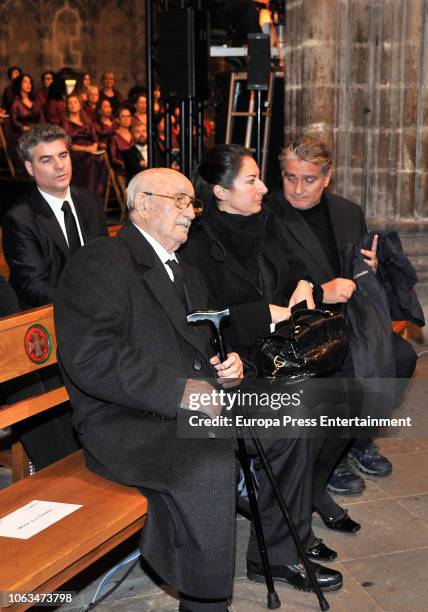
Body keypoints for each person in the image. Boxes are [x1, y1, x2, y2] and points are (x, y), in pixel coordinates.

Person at [54, 167, 246, 612]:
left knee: (291, 416)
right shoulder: (101, 259)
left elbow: (201, 346)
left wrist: (228, 363)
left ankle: (274, 553)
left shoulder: (185, 270)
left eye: (192, 203)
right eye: (179, 200)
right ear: (142, 204)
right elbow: (92, 358)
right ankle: (205, 603)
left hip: (189, 404)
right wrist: (184, 393)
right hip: (124, 418)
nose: (191, 213)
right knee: (210, 458)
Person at [181, 144, 345, 590]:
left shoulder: (263, 224)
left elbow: (296, 271)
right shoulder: (196, 241)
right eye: (252, 180)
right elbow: (205, 318)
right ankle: (278, 548)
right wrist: (271, 312)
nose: (265, 188)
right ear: (220, 191)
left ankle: (292, 521)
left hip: (278, 355)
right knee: (296, 419)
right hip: (234, 364)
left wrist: (304, 289)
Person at [269, 135, 418, 493]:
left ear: (327, 176)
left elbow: (361, 271)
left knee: (401, 357)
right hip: (301, 326)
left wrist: (374, 265)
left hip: (352, 317)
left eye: (309, 179)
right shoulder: (267, 215)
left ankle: (359, 441)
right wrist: (322, 291)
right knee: (342, 371)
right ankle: (330, 457)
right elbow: (268, 283)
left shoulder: (348, 211)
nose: (298, 188)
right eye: (290, 177)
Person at [2, 124, 108, 469]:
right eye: (47, 160)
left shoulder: (88, 201)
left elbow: (108, 261)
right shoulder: (20, 218)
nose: (60, 165)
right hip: (49, 327)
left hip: (98, 318)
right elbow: (33, 286)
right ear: (30, 169)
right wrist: (87, 306)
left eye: (63, 155)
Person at [62, 94, 107, 196]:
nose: (72, 105)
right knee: (90, 159)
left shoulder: (87, 121)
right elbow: (67, 143)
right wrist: (87, 149)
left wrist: (94, 146)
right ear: (67, 106)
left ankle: (97, 192)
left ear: (80, 105)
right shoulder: (65, 123)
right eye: (70, 103)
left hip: (90, 150)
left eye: (75, 102)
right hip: (75, 152)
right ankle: (87, 192)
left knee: (101, 158)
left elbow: (95, 139)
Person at [109, 105, 134, 176]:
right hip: (122, 170)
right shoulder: (114, 137)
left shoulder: (134, 134)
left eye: (128, 116)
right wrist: (126, 164)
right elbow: (113, 158)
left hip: (137, 167)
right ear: (117, 119)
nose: (126, 119)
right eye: (123, 116)